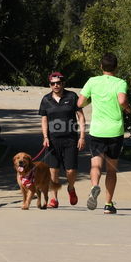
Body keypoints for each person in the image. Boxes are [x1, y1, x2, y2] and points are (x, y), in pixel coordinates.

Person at [77, 53, 130, 214]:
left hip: (98, 130)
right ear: (116, 67)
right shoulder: (120, 82)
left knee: (95, 164)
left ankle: (94, 186)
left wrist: (91, 99)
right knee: (112, 169)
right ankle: (108, 204)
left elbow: (80, 102)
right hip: (115, 130)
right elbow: (122, 101)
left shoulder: (92, 82)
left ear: (101, 67)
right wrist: (127, 108)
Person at [38, 71, 86, 207]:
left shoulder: (72, 96)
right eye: (53, 83)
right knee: (53, 170)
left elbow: (81, 117)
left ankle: (71, 188)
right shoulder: (46, 99)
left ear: (63, 83)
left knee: (70, 170)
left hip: (70, 139)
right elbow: (44, 120)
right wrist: (45, 137)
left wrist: (82, 136)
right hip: (52, 140)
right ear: (50, 85)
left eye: (58, 83)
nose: (56, 85)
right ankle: (54, 198)